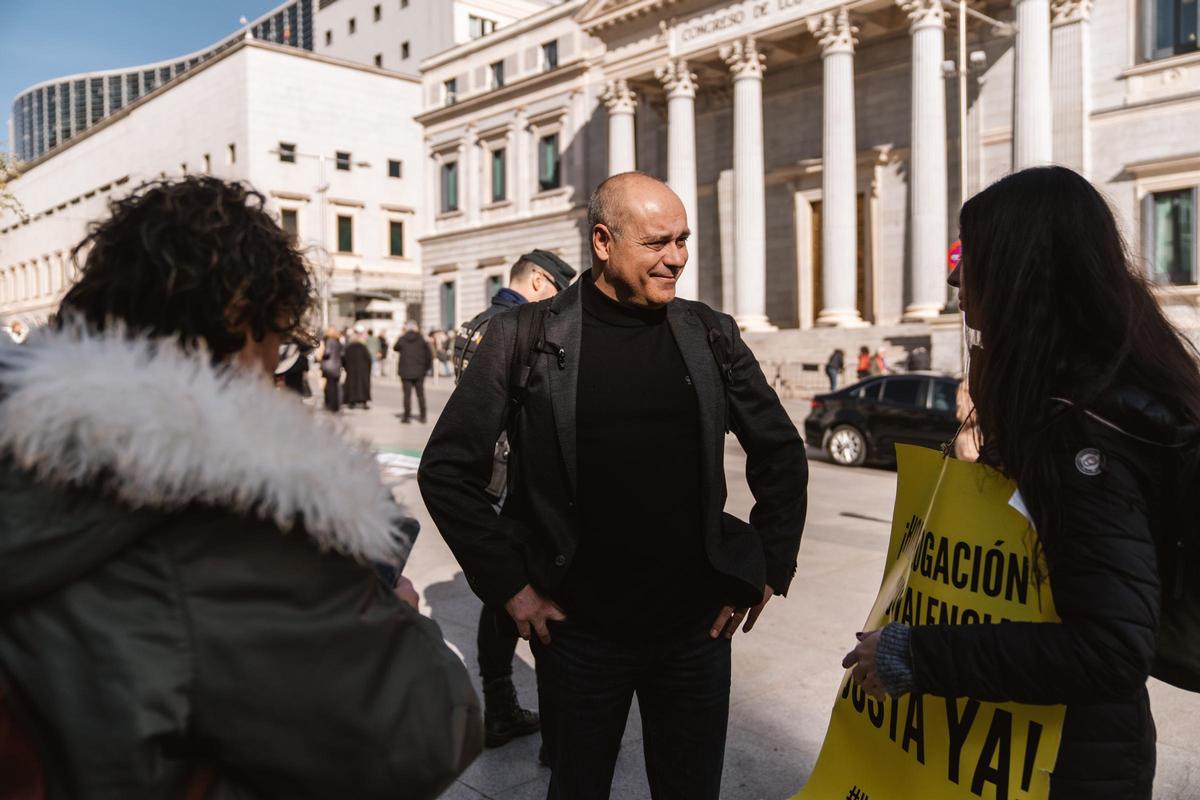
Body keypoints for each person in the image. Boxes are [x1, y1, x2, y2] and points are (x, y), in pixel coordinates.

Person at [0, 176, 481, 797]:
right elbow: (433, 730)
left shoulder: (29, 456)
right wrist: (389, 603)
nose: (277, 379)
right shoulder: (228, 528)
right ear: (237, 320)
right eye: (279, 346)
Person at [420, 172, 809, 800]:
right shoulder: (525, 337)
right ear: (604, 241)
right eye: (658, 243)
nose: (677, 258)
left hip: (695, 634)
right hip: (577, 635)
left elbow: (782, 453)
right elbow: (445, 470)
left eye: (683, 241)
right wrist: (511, 587)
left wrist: (765, 566)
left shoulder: (711, 333)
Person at [843, 166, 1200, 799]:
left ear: (1021, 269)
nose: (955, 279)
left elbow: (1108, 647)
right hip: (1044, 747)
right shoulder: (1094, 392)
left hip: (1068, 765)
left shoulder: (1086, 426)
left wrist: (916, 655)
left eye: (971, 257)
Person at [452, 249, 576, 754]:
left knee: (504, 599)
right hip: (510, 479)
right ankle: (552, 729)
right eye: (561, 290)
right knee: (534, 596)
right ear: (542, 281)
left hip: (489, 476)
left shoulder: (475, 323)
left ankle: (502, 707)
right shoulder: (511, 326)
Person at [395, 320, 433, 423]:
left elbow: (395, 347)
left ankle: (407, 417)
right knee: (420, 394)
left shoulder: (402, 338)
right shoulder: (421, 339)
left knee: (407, 395)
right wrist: (426, 368)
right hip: (420, 372)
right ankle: (423, 416)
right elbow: (429, 355)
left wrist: (402, 334)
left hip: (405, 372)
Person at [343, 327, 373, 410]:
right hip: (363, 370)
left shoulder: (349, 348)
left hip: (351, 370)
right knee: (362, 386)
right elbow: (368, 359)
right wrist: (368, 368)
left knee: (352, 385)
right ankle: (364, 402)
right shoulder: (363, 347)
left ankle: (352, 402)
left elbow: (345, 359)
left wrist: (346, 367)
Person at [319, 326, 343, 412]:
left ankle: (331, 405)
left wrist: (320, 357)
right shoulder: (338, 341)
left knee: (330, 387)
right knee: (335, 387)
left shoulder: (329, 341)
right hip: (337, 366)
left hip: (329, 366)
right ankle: (335, 405)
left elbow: (327, 353)